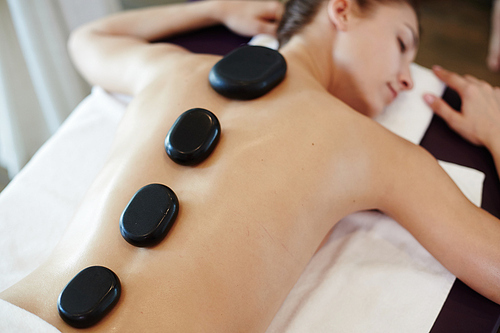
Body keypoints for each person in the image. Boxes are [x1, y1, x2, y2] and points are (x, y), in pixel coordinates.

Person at [1, 0, 499, 331]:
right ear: (342, 9)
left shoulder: (172, 68)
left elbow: (90, 39)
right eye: (401, 42)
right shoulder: (370, 147)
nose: (409, 79)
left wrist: (213, 9)